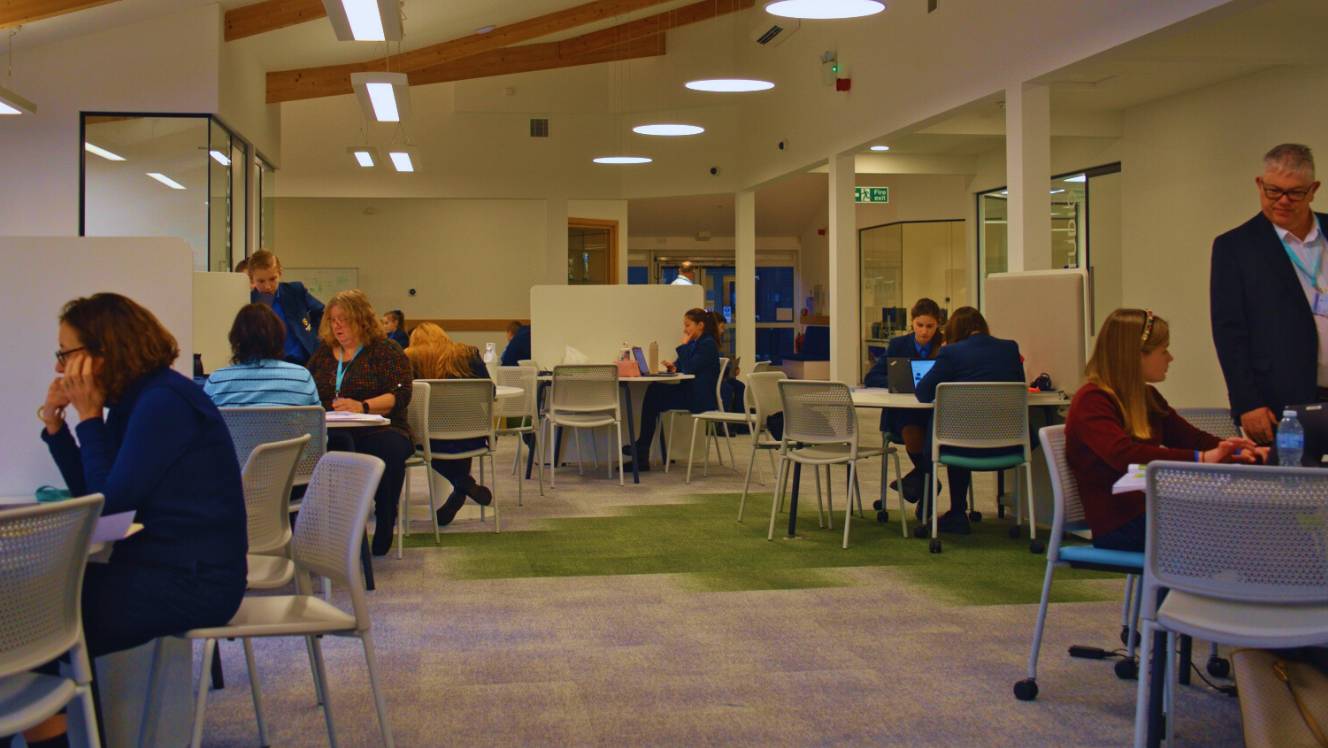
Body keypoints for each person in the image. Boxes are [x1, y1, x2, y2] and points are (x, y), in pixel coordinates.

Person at [31, 294, 247, 746]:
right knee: (35, 612)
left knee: (39, 622)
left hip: (197, 582)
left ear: (102, 350)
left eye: (65, 354)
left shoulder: (162, 402)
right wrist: (57, 428)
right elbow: (97, 498)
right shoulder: (140, 399)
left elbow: (109, 511)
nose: (59, 368)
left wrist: (89, 417)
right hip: (164, 569)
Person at [1067, 309, 1261, 551]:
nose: (1170, 358)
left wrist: (1241, 452)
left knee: (1246, 524)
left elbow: (1191, 439)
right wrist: (1202, 459)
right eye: (1164, 350)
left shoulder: (1147, 396)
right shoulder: (1092, 400)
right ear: (1137, 355)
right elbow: (1123, 455)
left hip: (1151, 513)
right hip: (1121, 524)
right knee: (1238, 530)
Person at [1211, 143, 1328, 444]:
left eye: (1295, 193)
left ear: (1313, 190)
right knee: (1292, 473)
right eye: (1273, 191)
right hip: (1282, 400)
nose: (1283, 201)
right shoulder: (1235, 247)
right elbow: (1229, 332)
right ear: (1259, 184)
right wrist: (1246, 401)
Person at [306, 290, 414, 556]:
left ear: (361, 319)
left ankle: (386, 514)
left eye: (344, 319)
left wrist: (362, 405)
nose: (337, 326)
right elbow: (308, 389)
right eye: (333, 320)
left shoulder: (385, 350)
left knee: (389, 449)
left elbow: (400, 394)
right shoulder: (322, 354)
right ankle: (328, 528)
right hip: (333, 430)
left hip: (381, 427)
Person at [913, 307, 1024, 535]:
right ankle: (957, 511)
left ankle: (957, 513)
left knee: (953, 430)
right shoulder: (1010, 348)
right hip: (1008, 445)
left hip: (959, 446)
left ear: (953, 330)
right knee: (960, 429)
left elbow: (923, 392)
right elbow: (1020, 385)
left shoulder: (951, 353)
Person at [407, 334, 494, 526]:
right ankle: (463, 487)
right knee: (460, 427)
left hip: (431, 439)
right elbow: (491, 392)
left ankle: (463, 484)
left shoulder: (412, 358)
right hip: (474, 434)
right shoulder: (468, 354)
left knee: (417, 440)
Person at [863, 297, 944, 503]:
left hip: (935, 413)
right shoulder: (898, 345)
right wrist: (899, 381)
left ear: (938, 325)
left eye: (930, 326)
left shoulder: (945, 346)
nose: (924, 331)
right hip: (904, 413)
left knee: (922, 427)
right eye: (920, 325)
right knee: (910, 425)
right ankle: (928, 481)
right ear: (912, 323)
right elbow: (872, 377)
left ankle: (917, 482)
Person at [624, 308, 721, 470]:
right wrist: (673, 367)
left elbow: (689, 368)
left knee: (654, 392)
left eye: (688, 325)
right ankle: (642, 450)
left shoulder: (707, 344)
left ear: (700, 325)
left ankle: (642, 450)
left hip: (699, 399)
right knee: (654, 391)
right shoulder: (697, 343)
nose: (685, 329)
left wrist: (683, 345)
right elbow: (684, 365)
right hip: (691, 392)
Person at [204, 303, 321, 407]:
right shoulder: (302, 378)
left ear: (236, 339)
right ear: (279, 336)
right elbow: (317, 422)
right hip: (289, 427)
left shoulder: (217, 382)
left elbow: (204, 423)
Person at [246, 250, 323, 366]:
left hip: (303, 361)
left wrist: (313, 333)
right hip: (266, 364)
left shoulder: (295, 291)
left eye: (272, 279)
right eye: (261, 281)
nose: (267, 286)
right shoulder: (248, 301)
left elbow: (322, 312)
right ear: (252, 279)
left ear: (280, 273)